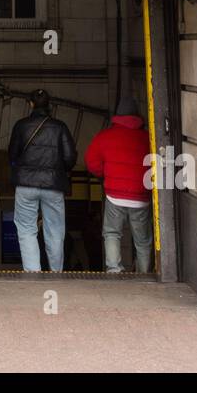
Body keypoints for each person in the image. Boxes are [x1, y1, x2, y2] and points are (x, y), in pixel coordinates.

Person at [8, 89, 76, 272]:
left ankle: (32, 272)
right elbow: (70, 158)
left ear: (30, 104)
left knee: (26, 229)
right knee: (54, 231)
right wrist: (58, 170)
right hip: (53, 185)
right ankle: (56, 272)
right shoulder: (60, 127)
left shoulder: (21, 126)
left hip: (25, 185)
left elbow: (12, 155)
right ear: (50, 105)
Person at [85, 96, 153, 273]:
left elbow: (91, 162)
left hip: (114, 195)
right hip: (141, 196)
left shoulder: (105, 136)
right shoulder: (147, 138)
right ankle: (144, 272)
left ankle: (114, 270)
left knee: (112, 233)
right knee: (142, 239)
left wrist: (105, 175)